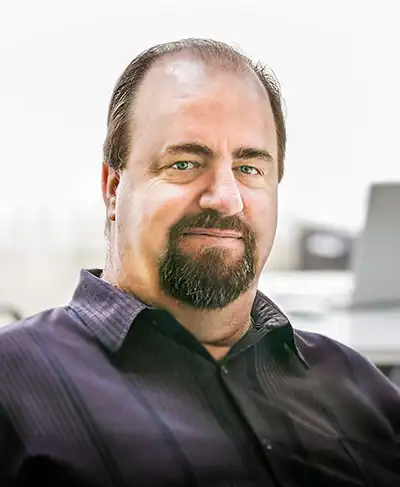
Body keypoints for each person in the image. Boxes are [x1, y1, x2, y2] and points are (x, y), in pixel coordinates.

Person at [0, 38, 399, 487]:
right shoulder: (12, 383)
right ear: (113, 189)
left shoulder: (356, 385)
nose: (225, 199)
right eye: (185, 163)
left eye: (249, 169)